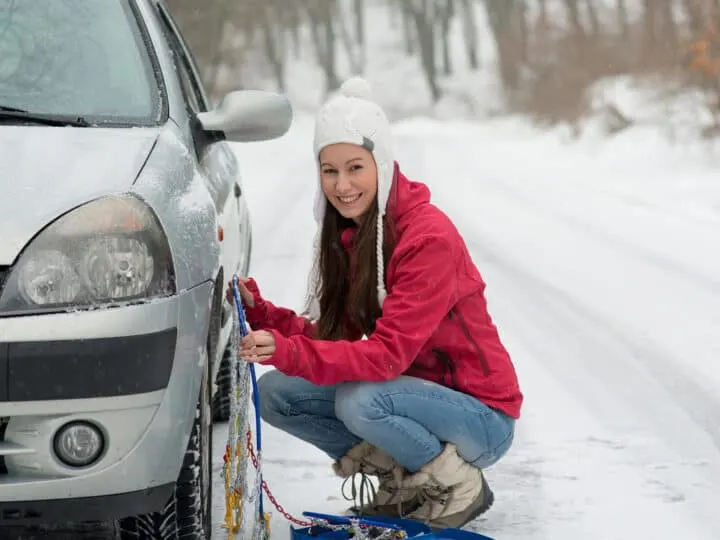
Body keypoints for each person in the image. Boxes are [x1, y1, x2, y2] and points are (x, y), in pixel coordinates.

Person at [227, 76, 523, 531]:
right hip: (410, 397)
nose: (342, 185)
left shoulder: (428, 238)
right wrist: (266, 317)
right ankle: (398, 479)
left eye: (355, 168)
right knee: (278, 394)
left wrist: (288, 351)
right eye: (329, 170)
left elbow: (386, 357)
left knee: (360, 400)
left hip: (481, 417)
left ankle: (457, 483)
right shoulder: (354, 233)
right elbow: (335, 340)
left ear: (381, 164)